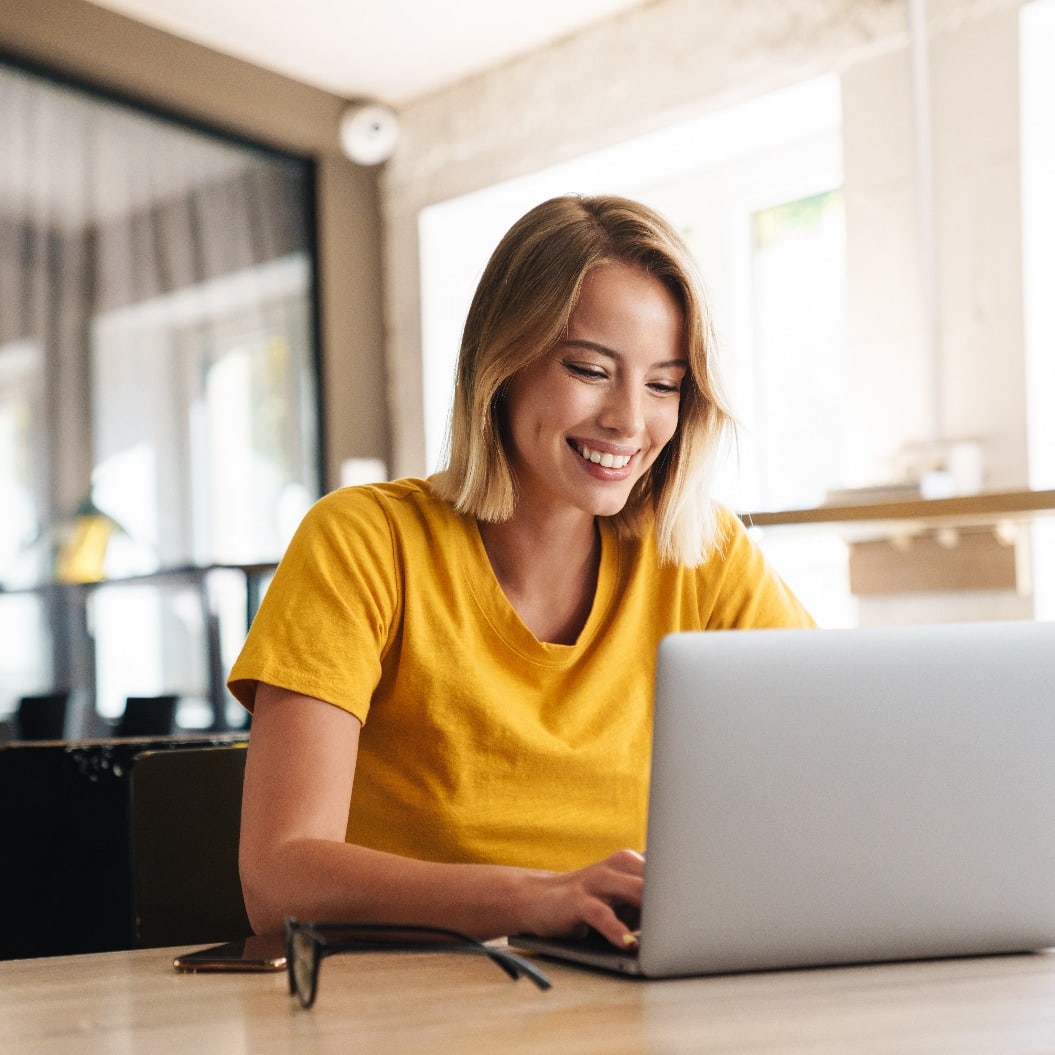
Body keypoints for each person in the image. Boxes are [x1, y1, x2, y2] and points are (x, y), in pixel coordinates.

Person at [229, 194, 813, 951]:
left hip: (628, 997)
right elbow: (277, 882)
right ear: (501, 363)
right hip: (410, 1003)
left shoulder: (702, 555)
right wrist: (535, 896)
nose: (629, 421)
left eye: (664, 384)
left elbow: (833, 773)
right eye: (590, 369)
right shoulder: (364, 541)